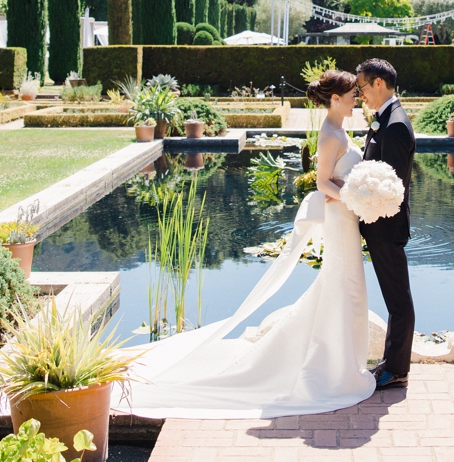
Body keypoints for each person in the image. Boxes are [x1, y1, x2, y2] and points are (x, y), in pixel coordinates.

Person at [119, 68, 376, 419]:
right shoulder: (331, 133)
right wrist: (355, 197)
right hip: (341, 218)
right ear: (335, 99)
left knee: (346, 288)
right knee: (343, 286)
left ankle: (338, 362)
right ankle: (330, 369)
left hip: (345, 220)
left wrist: (360, 195)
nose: (356, 99)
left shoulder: (340, 128)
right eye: (351, 95)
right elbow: (321, 184)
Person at [353, 57, 416, 390]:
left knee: (398, 300)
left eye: (362, 87)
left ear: (379, 83)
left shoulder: (394, 125)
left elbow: (389, 186)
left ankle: (398, 370)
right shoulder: (385, 120)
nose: (361, 94)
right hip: (379, 227)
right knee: (394, 298)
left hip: (387, 228)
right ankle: (392, 362)